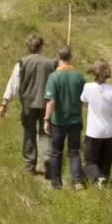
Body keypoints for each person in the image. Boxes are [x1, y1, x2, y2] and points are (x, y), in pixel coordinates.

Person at [0, 33, 59, 176]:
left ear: (28, 47)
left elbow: (12, 86)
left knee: (29, 133)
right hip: (46, 105)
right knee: (46, 134)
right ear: (41, 47)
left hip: (28, 105)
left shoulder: (22, 63)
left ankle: (29, 165)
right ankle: (47, 161)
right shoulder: (51, 63)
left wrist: (4, 104)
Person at [42, 45, 86, 189]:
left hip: (58, 121)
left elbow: (51, 101)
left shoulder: (54, 77)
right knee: (74, 152)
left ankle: (56, 182)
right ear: (70, 57)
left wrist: (46, 119)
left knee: (56, 152)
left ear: (58, 57)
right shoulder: (79, 77)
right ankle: (77, 181)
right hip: (75, 120)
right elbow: (84, 100)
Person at [79, 59, 112, 187]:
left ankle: (98, 178)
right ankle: (104, 179)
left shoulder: (88, 87)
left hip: (93, 132)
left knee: (90, 161)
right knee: (106, 160)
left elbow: (85, 104)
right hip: (109, 131)